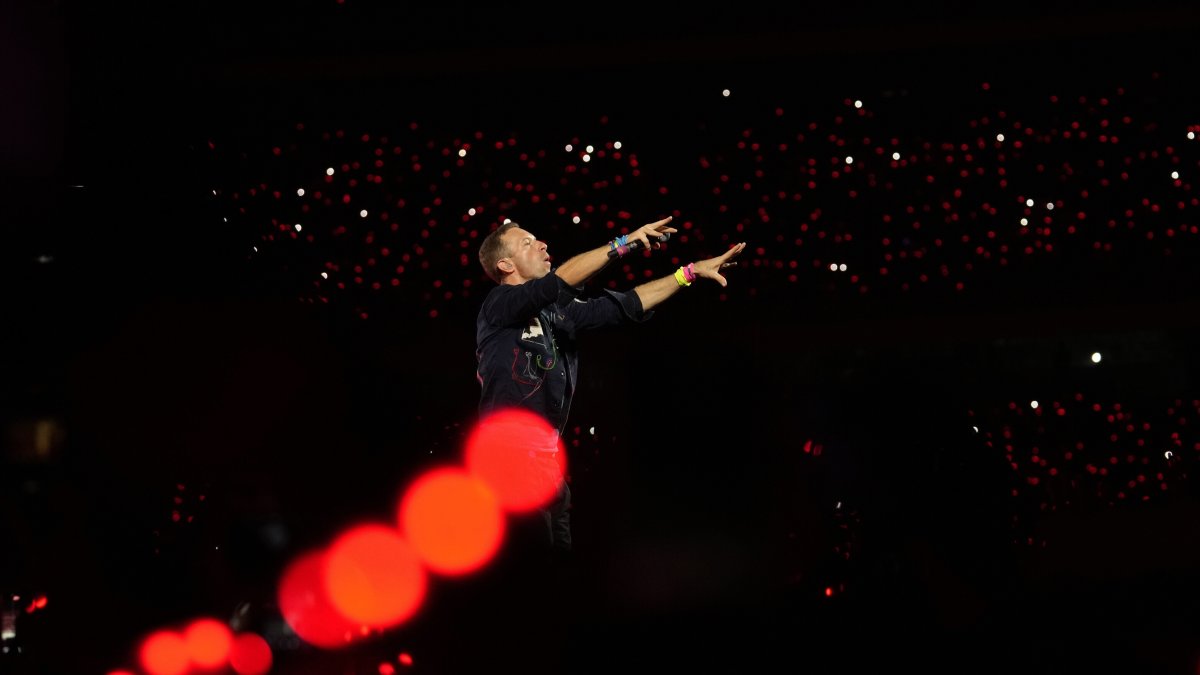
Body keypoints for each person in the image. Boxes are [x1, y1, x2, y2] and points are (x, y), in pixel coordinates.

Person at [474, 215, 746, 555]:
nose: (543, 245)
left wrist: (687, 273)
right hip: (509, 460)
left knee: (558, 577)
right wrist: (624, 243)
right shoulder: (498, 305)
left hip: (547, 467)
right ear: (505, 265)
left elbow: (626, 305)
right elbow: (556, 283)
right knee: (531, 575)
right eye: (527, 243)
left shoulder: (558, 312)